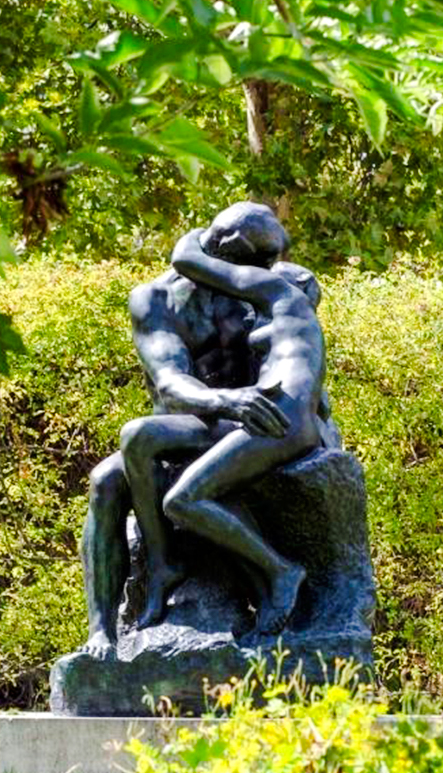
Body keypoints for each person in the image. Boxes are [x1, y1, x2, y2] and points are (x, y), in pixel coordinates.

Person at [78, 205, 289, 659]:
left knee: (139, 439)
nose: (265, 274)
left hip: (245, 426)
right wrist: (225, 399)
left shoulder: (258, 289)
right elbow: (170, 381)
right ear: (227, 252)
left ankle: (170, 564)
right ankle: (102, 630)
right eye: (259, 264)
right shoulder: (155, 300)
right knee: (105, 482)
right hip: (191, 422)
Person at [123, 214, 326, 636]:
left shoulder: (277, 292)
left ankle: (281, 571)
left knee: (182, 499)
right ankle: (165, 566)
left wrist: (200, 234)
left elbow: (186, 257)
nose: (265, 272)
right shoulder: (277, 308)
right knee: (142, 444)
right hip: (272, 416)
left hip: (279, 421)